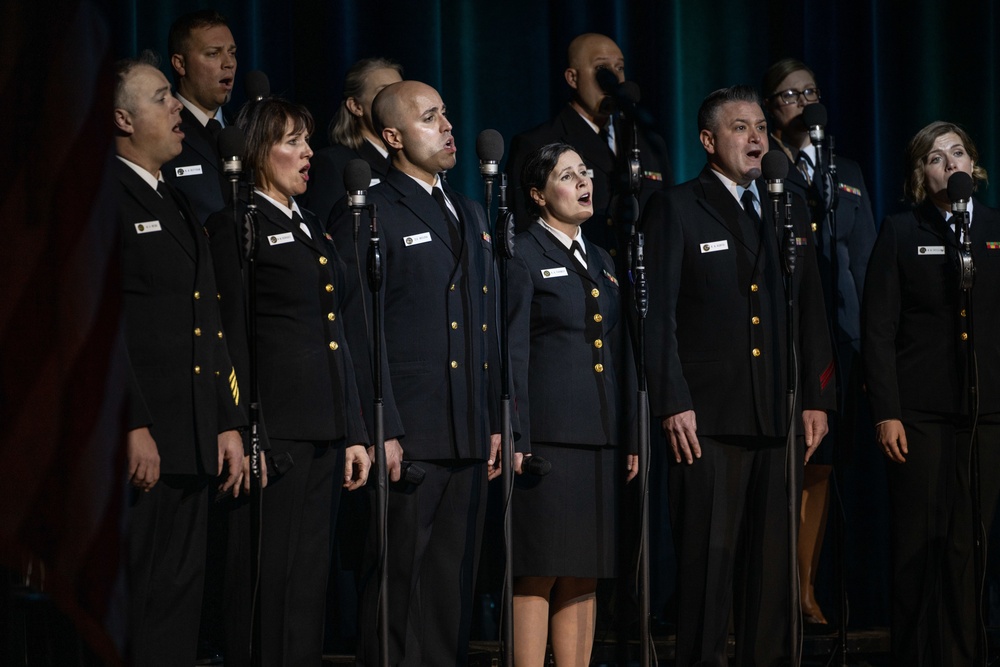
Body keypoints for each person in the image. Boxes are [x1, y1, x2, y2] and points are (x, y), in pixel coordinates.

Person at [641, 84, 835, 666]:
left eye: (760, 128)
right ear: (708, 140)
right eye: (740, 127)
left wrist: (816, 398)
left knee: (771, 574)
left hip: (777, 413)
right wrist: (672, 399)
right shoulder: (676, 206)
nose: (756, 138)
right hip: (706, 419)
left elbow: (812, 310)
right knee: (708, 567)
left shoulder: (787, 204)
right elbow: (657, 316)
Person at [328, 80, 500, 666]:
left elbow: (485, 323)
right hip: (409, 431)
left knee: (452, 587)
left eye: (447, 114)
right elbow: (356, 329)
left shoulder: (470, 209)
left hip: (468, 429)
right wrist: (383, 425)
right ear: (394, 136)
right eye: (431, 118)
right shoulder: (369, 207)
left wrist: (497, 417)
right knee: (399, 586)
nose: (448, 127)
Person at [204, 97, 371, 666]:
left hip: (322, 428)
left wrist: (352, 429)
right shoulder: (235, 222)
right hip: (272, 431)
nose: (307, 154)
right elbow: (227, 336)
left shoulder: (310, 226)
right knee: (264, 582)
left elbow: (337, 337)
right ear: (256, 151)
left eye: (308, 141)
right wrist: (246, 429)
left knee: (306, 587)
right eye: (293, 142)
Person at [113, 52, 244, 667]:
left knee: (181, 596)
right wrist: (131, 423)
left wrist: (225, 420)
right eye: (162, 96)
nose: (176, 107)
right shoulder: (104, 199)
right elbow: (103, 329)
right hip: (144, 440)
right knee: (140, 599)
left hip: (191, 436)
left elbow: (207, 324)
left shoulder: (179, 202)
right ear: (121, 118)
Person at [862, 121, 1000, 666]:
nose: (950, 163)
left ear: (974, 166)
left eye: (958, 152)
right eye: (937, 157)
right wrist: (887, 413)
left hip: (985, 413)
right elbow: (878, 331)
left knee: (971, 547)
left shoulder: (993, 229)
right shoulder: (901, 231)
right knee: (918, 546)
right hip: (917, 416)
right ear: (922, 173)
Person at [507, 142, 637, 666]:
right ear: (539, 195)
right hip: (549, 440)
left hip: (599, 437)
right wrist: (516, 435)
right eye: (567, 175)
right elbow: (511, 352)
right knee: (539, 567)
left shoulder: (603, 258)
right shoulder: (521, 254)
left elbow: (622, 351)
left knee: (585, 569)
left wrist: (628, 434)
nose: (585, 181)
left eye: (585, 171)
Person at [762, 57, 878, 625]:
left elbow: (869, 266)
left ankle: (805, 589)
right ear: (769, 109)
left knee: (822, 468)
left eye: (810, 91)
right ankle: (765, 592)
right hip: (782, 343)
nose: (803, 102)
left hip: (843, 345)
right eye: (788, 95)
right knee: (776, 468)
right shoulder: (766, 171)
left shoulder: (846, 170)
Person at [505, 33, 671, 271]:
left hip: (646, 288)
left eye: (620, 68)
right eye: (602, 69)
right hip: (579, 286)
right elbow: (523, 236)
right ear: (573, 78)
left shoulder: (647, 141)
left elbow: (666, 227)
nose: (613, 78)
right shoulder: (538, 143)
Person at [300, 57, 403, 224]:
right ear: (356, 106)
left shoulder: (407, 161)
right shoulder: (332, 163)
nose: (396, 101)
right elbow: (325, 233)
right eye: (383, 92)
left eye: (399, 92)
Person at [163, 9, 238, 224]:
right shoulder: (162, 133)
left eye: (232, 52)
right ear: (180, 64)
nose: (229, 63)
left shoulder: (244, 129)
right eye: (213, 53)